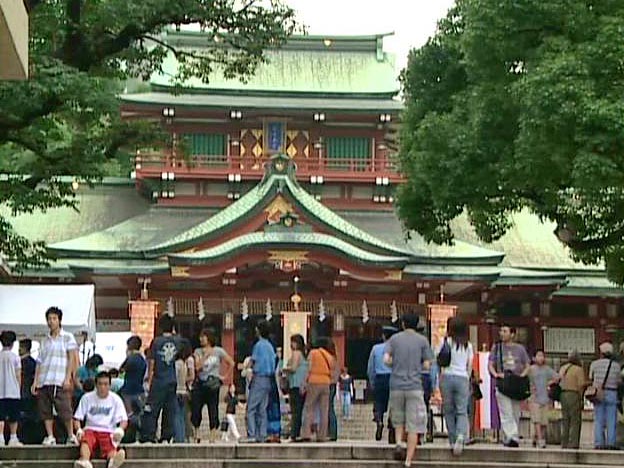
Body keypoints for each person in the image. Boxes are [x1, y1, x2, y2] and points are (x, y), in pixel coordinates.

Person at [383, 314, 433, 468]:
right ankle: (408, 461)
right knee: (414, 424)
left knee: (398, 418)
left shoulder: (394, 339)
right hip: (414, 385)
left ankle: (398, 442)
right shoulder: (422, 341)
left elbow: (386, 359)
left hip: (396, 384)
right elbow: (427, 365)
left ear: (403, 324)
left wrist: (395, 365)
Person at [33, 306, 79, 445]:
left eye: (54, 318)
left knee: (65, 408)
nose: (51, 321)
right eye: (49, 319)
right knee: (45, 410)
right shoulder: (45, 340)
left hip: (59, 379)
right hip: (44, 379)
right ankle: (50, 435)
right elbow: (39, 362)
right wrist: (35, 381)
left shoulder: (67, 337)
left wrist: (68, 377)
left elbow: (72, 358)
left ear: (59, 320)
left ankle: (71, 435)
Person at [141, 315, 183, 443]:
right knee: (169, 409)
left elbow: (152, 361)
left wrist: (149, 378)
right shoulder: (178, 341)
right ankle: (166, 436)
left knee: (152, 408)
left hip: (159, 379)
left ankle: (149, 434)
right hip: (172, 380)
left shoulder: (157, 341)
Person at [73, 371, 128, 468]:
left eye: (106, 384)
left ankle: (113, 461)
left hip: (108, 430)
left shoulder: (116, 399)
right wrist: (78, 430)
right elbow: (77, 417)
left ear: (110, 385)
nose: (103, 387)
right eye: (100, 384)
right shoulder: (86, 398)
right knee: (87, 440)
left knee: (108, 444)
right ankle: (84, 460)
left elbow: (123, 419)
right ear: (96, 385)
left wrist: (120, 430)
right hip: (90, 429)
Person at [487, 325, 530, 448]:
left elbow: (527, 364)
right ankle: (512, 436)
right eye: (501, 331)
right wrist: (495, 374)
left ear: (512, 334)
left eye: (505, 331)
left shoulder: (520, 349)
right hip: (503, 381)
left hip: (516, 382)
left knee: (515, 411)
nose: (502, 333)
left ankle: (511, 436)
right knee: (506, 411)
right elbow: (490, 364)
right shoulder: (497, 347)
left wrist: (522, 375)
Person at [437, 317, 473, 455]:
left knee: (448, 410)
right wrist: (467, 379)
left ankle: (452, 439)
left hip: (446, 376)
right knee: (462, 410)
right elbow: (469, 365)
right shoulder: (468, 345)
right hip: (462, 377)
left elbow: (438, 359)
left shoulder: (445, 342)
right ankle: (461, 436)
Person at [191, 328, 234, 443]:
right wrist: (205, 356)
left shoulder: (218, 351)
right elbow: (197, 367)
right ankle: (196, 433)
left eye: (203, 336)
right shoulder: (197, 351)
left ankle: (213, 435)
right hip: (201, 382)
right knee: (196, 409)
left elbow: (231, 362)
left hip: (213, 383)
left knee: (213, 409)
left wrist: (224, 376)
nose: (201, 339)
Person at [244, 321, 277, 443]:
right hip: (268, 379)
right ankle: (262, 434)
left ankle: (252, 434)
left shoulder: (258, 345)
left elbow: (252, 361)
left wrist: (245, 367)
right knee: (262, 409)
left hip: (259, 377)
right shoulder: (270, 346)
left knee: (251, 408)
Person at [301, 337, 336, 442]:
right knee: (324, 410)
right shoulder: (329, 356)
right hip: (326, 382)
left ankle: (306, 434)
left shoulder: (313, 353)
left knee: (309, 407)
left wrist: (304, 382)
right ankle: (322, 435)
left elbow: (309, 368)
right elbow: (333, 370)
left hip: (314, 381)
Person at [589, 342, 621, 449]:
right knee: (611, 420)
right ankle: (611, 443)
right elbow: (619, 381)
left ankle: (599, 443)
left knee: (599, 419)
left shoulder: (594, 364)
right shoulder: (616, 366)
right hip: (612, 392)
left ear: (601, 352)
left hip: (599, 392)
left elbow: (591, 378)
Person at [367, 326, 397, 442]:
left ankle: (379, 420)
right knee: (393, 403)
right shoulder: (396, 349)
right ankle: (391, 423)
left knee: (379, 402)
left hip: (380, 377)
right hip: (393, 378)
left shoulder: (376, 348)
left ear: (384, 336)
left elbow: (371, 367)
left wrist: (372, 381)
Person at [528, 350, 557, 449]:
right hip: (534, 398)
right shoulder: (531, 369)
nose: (541, 358)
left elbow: (557, 377)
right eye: (538, 356)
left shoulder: (547, 369)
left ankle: (536, 438)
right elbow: (524, 379)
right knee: (537, 420)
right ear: (534, 358)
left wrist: (550, 383)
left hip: (544, 397)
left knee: (544, 421)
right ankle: (541, 440)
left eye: (542, 356)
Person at [559, 350, 586, 449]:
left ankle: (564, 442)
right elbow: (581, 385)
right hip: (573, 394)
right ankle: (574, 443)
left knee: (565, 419)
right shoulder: (578, 369)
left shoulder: (563, 368)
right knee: (575, 420)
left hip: (563, 394)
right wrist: (581, 398)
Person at [283, 334, 307, 442]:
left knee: (295, 411)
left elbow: (293, 368)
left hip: (296, 385)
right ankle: (297, 433)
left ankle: (294, 434)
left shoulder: (297, 354)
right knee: (298, 410)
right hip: (300, 384)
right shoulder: (303, 355)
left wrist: (284, 369)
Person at [0, 330, 22, 446]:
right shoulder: (16, 358)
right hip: (13, 391)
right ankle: (13, 437)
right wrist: (19, 387)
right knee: (14, 416)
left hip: (0, 391)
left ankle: (1, 438)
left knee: (1, 416)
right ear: (13, 343)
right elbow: (18, 375)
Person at [119, 336, 147, 416]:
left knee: (128, 414)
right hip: (140, 390)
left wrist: (127, 356)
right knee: (141, 414)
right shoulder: (142, 359)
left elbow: (121, 370)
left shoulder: (131, 358)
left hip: (128, 391)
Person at [19, 338, 40, 444]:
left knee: (24, 417)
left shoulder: (22, 362)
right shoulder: (34, 362)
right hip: (30, 393)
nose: (19, 349)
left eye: (21, 347)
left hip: (24, 392)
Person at [173, 342, 193, 443]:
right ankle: (183, 436)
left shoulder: (178, 364)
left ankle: (179, 437)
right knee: (182, 415)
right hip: (184, 391)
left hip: (177, 391)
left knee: (177, 416)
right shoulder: (185, 363)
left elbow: (175, 377)